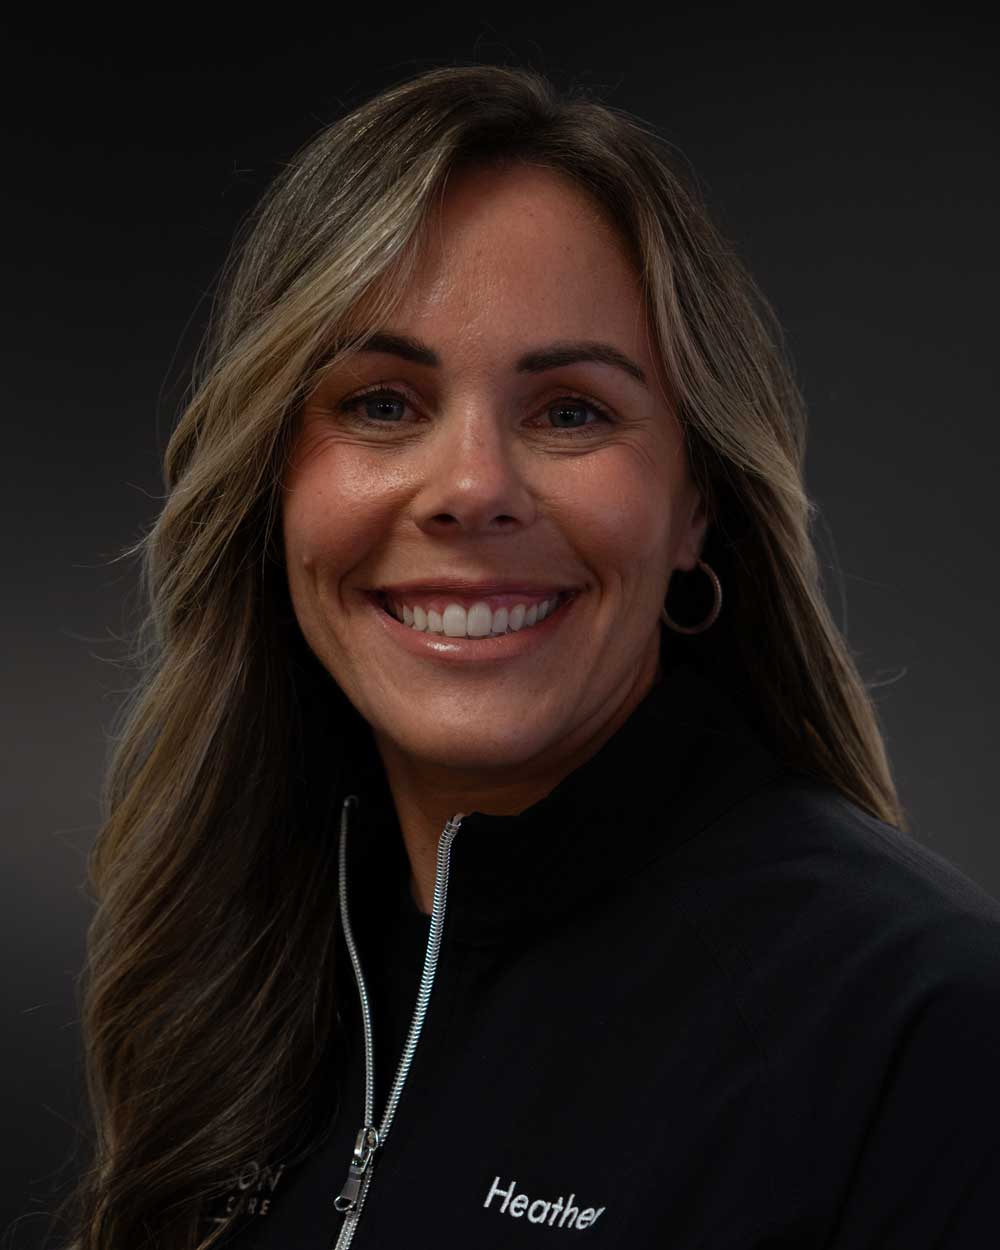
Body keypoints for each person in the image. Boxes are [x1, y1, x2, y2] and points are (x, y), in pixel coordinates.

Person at [55, 65, 1000, 1250]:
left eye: (569, 412)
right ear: (272, 481)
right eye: (383, 404)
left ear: (695, 501)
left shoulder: (925, 1032)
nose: (471, 491)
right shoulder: (234, 959)